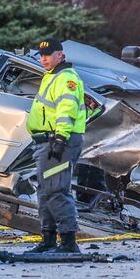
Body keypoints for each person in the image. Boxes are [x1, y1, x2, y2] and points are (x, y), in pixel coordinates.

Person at [26, 38, 86, 253]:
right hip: (47, 141)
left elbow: (66, 108)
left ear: (60, 54)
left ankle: (69, 242)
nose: (44, 58)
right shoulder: (51, 76)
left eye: (48, 54)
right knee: (45, 191)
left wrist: (60, 138)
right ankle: (49, 239)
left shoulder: (66, 78)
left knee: (56, 190)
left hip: (59, 140)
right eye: (41, 55)